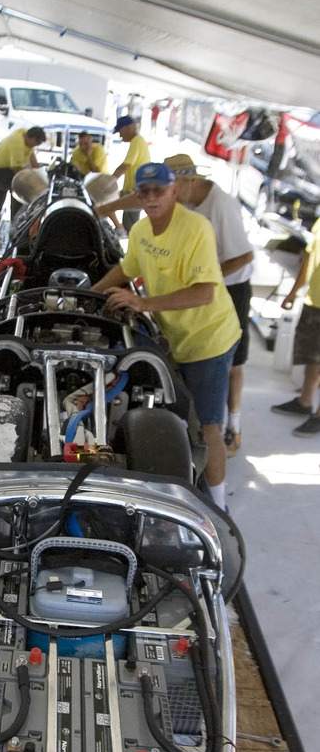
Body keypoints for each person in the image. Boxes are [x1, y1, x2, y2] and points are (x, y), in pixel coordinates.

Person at [91, 162, 241, 512]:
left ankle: (219, 509)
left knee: (207, 428)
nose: (152, 197)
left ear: (175, 191)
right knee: (179, 416)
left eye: (160, 190)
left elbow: (205, 292)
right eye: (144, 192)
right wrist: (90, 294)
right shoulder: (142, 229)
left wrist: (141, 302)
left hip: (208, 340)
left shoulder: (196, 229)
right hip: (176, 337)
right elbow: (127, 269)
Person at [164, 154, 254, 457]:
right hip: (202, 286)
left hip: (232, 286)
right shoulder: (185, 202)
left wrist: (204, 280)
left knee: (233, 363)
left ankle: (234, 427)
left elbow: (244, 257)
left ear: (190, 181)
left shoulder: (221, 205)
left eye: (173, 187)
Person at [271, 216, 320, 436]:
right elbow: (310, 259)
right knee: (312, 357)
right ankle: (305, 401)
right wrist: (293, 292)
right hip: (314, 300)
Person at [0, 126, 46, 248]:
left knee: (16, 197)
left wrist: (42, 179)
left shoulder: (26, 136)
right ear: (31, 138)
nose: (34, 147)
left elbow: (33, 162)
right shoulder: (17, 143)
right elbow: (18, 172)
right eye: (36, 143)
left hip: (5, 170)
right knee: (11, 199)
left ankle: (14, 230)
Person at [111, 115, 150, 233]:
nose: (120, 135)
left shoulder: (137, 141)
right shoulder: (138, 141)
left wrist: (108, 182)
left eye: (120, 131)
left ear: (129, 128)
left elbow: (125, 166)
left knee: (131, 227)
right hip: (132, 190)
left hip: (135, 192)